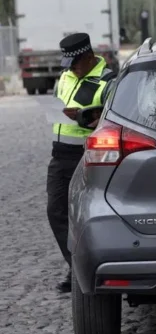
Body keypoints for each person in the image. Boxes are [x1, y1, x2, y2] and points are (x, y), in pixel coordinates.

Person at [48, 33, 116, 293]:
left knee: (87, 214)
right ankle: (75, 266)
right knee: (55, 211)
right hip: (60, 155)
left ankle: (83, 270)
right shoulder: (65, 77)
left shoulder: (107, 81)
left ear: (88, 57)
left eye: (75, 64)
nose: (71, 70)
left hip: (88, 156)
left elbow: (113, 121)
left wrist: (90, 120)